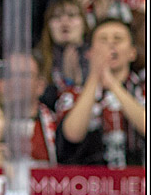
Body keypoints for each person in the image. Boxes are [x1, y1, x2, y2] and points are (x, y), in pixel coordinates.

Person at [56, 19, 145, 167]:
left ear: (132, 53)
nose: (111, 44)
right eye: (103, 39)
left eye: (118, 39)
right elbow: (72, 134)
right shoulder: (74, 93)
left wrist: (113, 84)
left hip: (138, 183)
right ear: (89, 53)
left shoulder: (142, 89)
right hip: (89, 183)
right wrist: (94, 78)